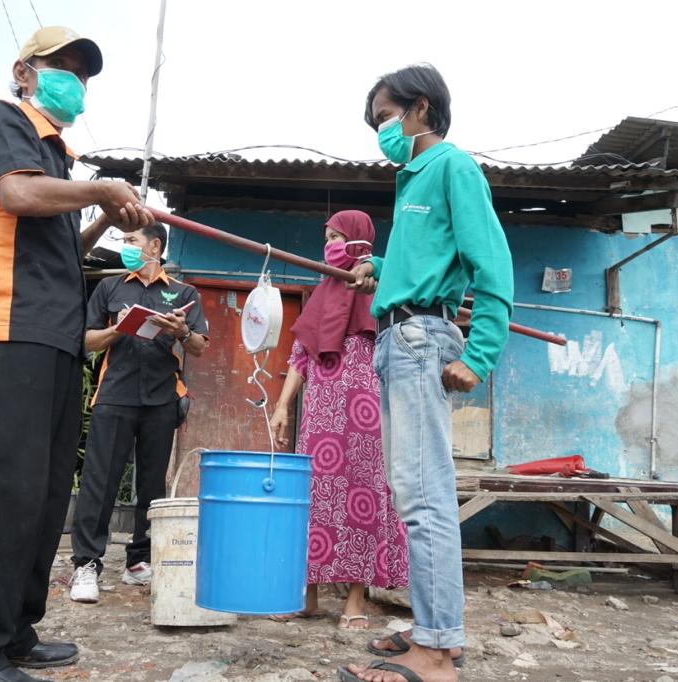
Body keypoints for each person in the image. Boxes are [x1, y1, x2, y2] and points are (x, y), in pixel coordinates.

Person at [0, 26, 155, 682]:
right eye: (62, 68)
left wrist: (106, 219)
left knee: (45, 493)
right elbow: (17, 197)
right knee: (3, 491)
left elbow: (57, 252)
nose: (73, 82)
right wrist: (103, 189)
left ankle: (13, 631)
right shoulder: (4, 121)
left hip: (55, 335)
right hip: (11, 325)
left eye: (83, 74)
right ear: (24, 72)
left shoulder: (57, 159)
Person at [339, 63, 514, 682]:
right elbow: (426, 262)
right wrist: (380, 268)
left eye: (384, 118)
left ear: (418, 109)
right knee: (413, 492)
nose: (379, 132)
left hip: (419, 340)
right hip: (398, 337)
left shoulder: (452, 167)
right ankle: (434, 628)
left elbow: (490, 262)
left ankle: (437, 653)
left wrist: (480, 353)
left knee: (425, 497)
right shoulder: (413, 180)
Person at [268, 210, 408, 630]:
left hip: (364, 410)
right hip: (319, 412)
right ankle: (306, 596)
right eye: (326, 236)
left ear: (359, 242)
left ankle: (355, 598)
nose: (328, 245)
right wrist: (282, 405)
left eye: (336, 236)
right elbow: (301, 356)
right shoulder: (322, 292)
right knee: (312, 497)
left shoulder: (383, 290)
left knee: (362, 496)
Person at [68, 223, 209, 603]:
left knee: (151, 486)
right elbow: (86, 339)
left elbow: (197, 347)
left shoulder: (182, 293)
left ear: (155, 246)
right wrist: (119, 329)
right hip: (114, 395)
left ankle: (139, 561)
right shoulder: (110, 288)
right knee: (100, 483)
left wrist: (180, 330)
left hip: (162, 399)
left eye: (132, 241)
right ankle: (86, 565)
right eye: (125, 241)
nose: (126, 247)